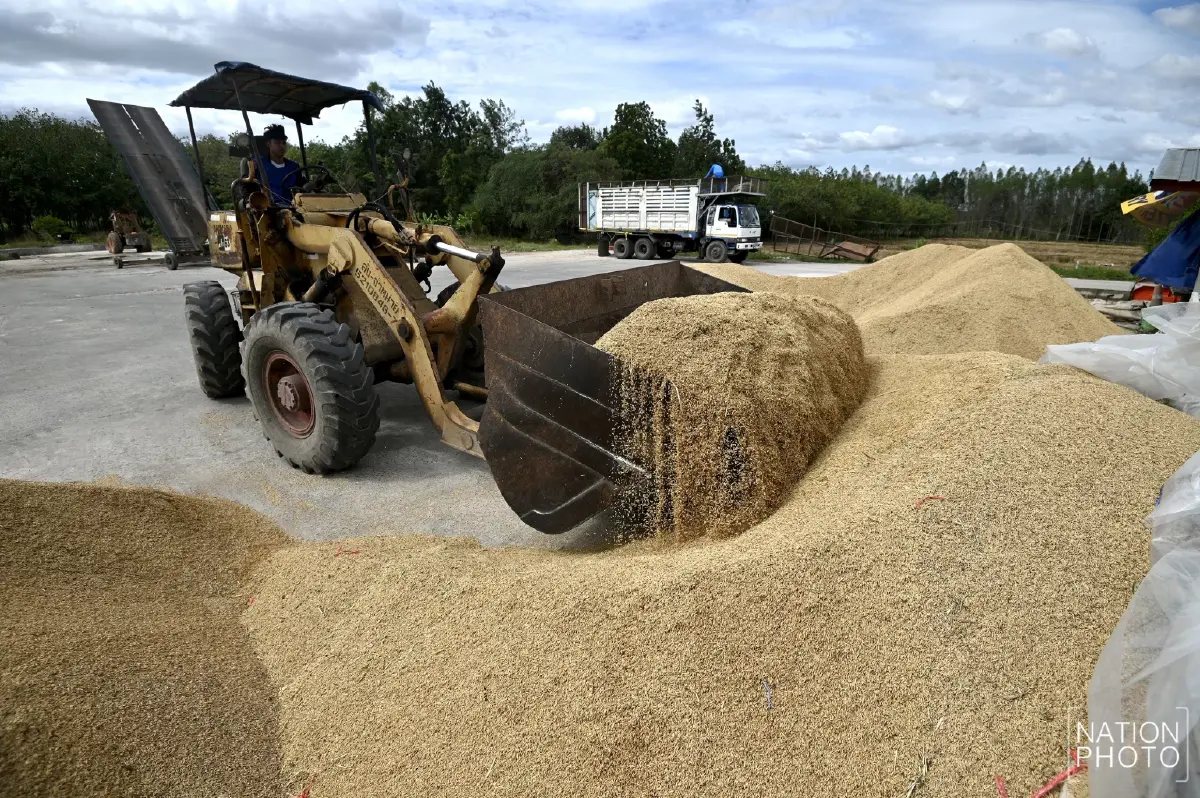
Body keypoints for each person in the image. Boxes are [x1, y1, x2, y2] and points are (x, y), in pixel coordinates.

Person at [261, 124, 301, 204]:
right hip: (267, 210)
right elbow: (247, 188)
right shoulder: (258, 165)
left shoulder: (294, 167)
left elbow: (302, 186)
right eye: (277, 143)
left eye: (284, 143)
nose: (282, 146)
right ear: (268, 143)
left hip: (294, 208)